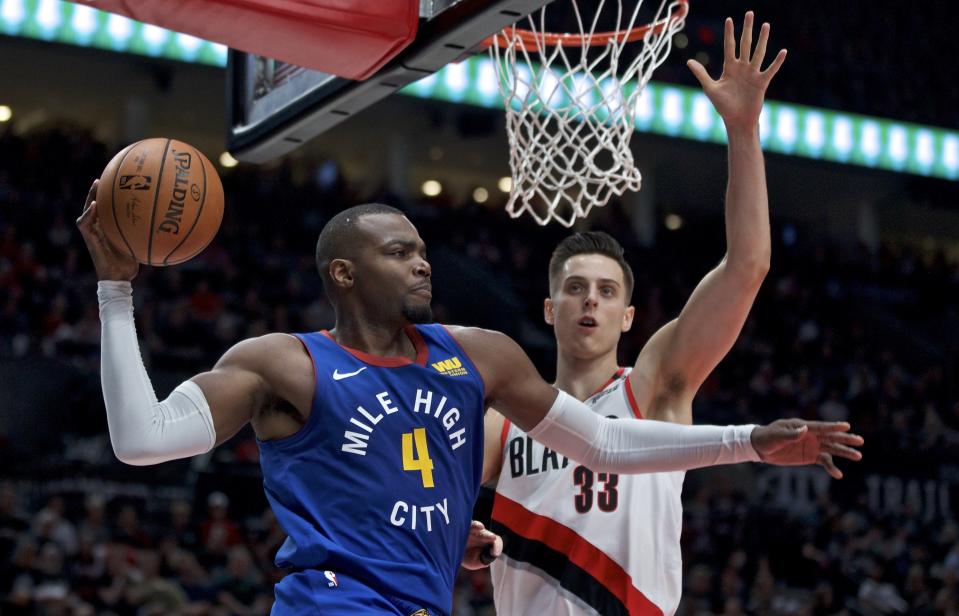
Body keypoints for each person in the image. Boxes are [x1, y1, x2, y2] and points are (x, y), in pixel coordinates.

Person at [77, 140, 860, 616]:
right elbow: (141, 441)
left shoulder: (476, 357)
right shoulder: (283, 361)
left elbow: (606, 445)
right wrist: (116, 291)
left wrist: (750, 440)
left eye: (420, 247)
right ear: (342, 274)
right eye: (396, 251)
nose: (420, 260)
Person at [480, 13, 836, 616]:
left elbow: (748, 264)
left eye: (607, 291)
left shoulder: (656, 385)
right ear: (548, 307)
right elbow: (421, 494)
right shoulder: (505, 421)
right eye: (575, 288)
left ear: (627, 317)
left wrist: (744, 131)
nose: (590, 298)